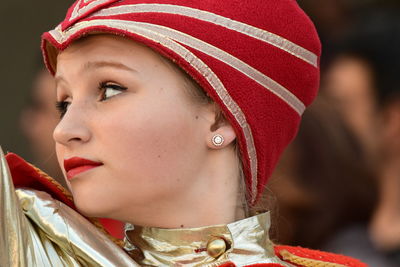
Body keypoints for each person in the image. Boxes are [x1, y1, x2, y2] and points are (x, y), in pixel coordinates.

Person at [1, 0, 365, 266]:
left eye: (109, 89)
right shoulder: (33, 242)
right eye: (63, 102)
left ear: (220, 119)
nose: (64, 130)